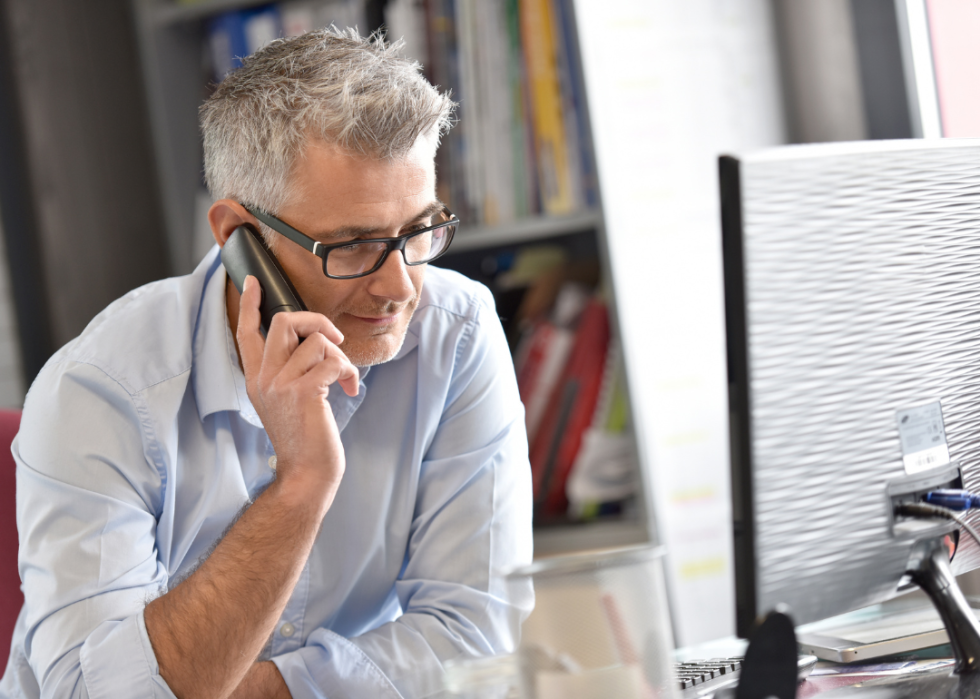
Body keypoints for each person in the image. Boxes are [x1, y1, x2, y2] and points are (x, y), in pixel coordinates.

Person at [1, 28, 533, 699]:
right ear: (237, 236)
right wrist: (301, 484)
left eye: (420, 232)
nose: (401, 286)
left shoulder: (454, 334)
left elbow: (477, 639)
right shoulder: (102, 392)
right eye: (356, 244)